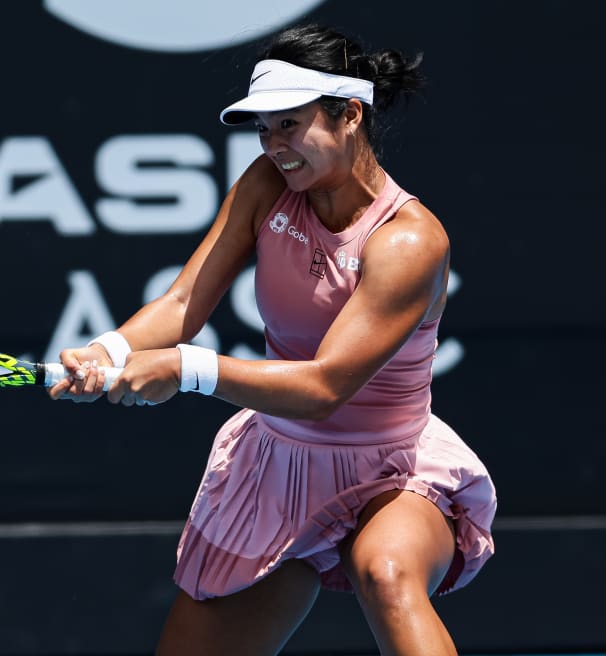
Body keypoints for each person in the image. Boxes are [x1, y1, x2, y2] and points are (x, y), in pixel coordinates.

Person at [49, 23, 497, 656]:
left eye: (290, 123)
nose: (275, 145)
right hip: (275, 467)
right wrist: (110, 351)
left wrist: (185, 369)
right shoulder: (267, 185)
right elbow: (181, 303)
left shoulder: (410, 241)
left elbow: (323, 387)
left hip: (394, 470)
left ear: (349, 114)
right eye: (263, 128)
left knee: (386, 573)